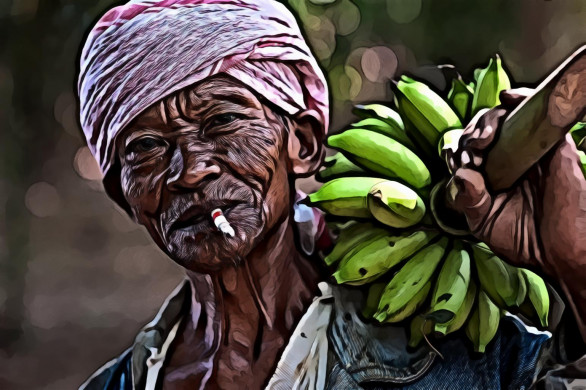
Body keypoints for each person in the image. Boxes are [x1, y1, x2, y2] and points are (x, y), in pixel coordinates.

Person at [76, 0, 586, 388]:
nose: (189, 172)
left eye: (223, 120)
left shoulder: (449, 354)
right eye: (145, 148)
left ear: (302, 144)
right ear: (124, 197)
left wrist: (577, 261)